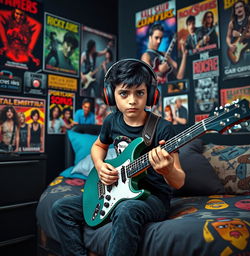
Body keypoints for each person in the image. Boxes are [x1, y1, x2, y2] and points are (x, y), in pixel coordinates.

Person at [52, 59, 185, 256]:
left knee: (126, 210)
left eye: (139, 93)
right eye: (124, 93)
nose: (132, 100)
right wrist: (99, 165)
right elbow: (98, 146)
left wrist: (168, 170)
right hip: (114, 192)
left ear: (150, 95)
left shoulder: (163, 128)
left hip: (152, 198)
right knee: (59, 208)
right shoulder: (111, 121)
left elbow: (179, 181)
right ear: (110, 96)